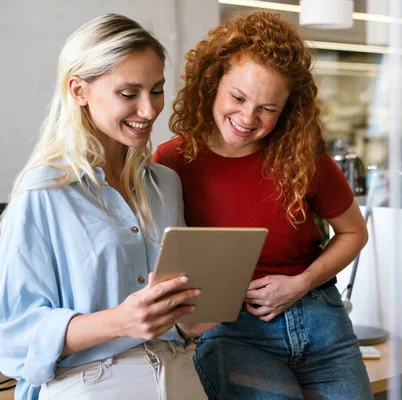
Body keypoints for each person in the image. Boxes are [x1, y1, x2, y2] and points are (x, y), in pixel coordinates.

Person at [153, 11, 373, 400]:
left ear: (287, 109)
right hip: (234, 332)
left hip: (322, 317)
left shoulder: (303, 154)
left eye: (268, 109)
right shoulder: (172, 161)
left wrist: (300, 283)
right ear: (212, 82)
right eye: (238, 97)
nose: (247, 118)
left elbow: (354, 232)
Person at [0, 14, 208, 400]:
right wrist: (120, 321)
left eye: (156, 90)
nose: (149, 109)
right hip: (92, 382)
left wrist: (191, 318)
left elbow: (172, 313)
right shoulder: (42, 192)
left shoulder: (166, 185)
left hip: (179, 375)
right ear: (78, 90)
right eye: (129, 93)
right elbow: (17, 339)